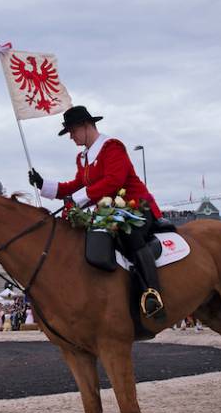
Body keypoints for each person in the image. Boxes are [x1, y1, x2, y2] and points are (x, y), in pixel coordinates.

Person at [28, 105, 164, 318]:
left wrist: (77, 199)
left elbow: (113, 181)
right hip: (109, 211)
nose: (71, 137)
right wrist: (43, 184)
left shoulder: (112, 147)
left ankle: (151, 293)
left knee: (128, 233)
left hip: (136, 206)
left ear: (85, 126)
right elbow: (75, 185)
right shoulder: (83, 158)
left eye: (72, 131)